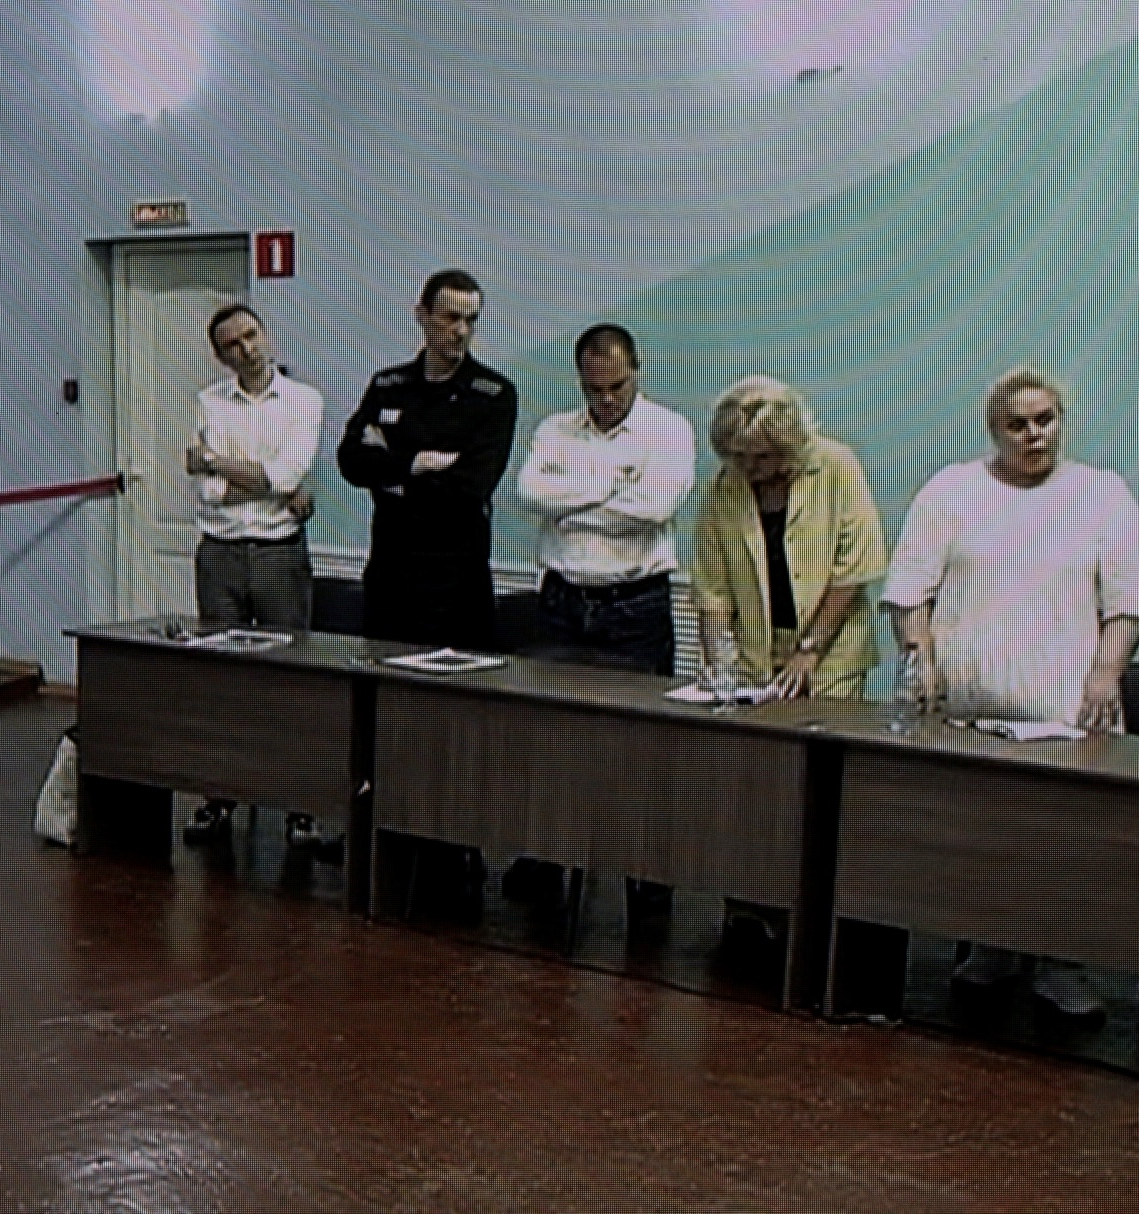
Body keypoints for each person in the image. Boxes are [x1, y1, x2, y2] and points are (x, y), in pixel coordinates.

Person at [880, 365, 1139, 1018]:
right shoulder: (951, 490)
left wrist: (1107, 672)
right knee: (982, 834)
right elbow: (909, 590)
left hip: (1068, 707)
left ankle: (1063, 963)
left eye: (1045, 420)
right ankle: (991, 945)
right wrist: (920, 660)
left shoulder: (1101, 493)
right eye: (1017, 424)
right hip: (970, 709)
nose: (1034, 434)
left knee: (1067, 842)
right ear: (994, 430)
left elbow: (1129, 599)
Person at [509, 324, 696, 920]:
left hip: (635, 604)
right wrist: (612, 485)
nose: (606, 400)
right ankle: (548, 857)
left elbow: (655, 508)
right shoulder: (554, 429)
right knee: (553, 739)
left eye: (616, 388)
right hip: (564, 600)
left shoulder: (669, 430)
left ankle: (646, 878)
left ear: (636, 373)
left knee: (641, 747)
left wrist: (573, 498)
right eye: (595, 390)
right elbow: (532, 495)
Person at [182, 304, 324, 849]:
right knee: (222, 680)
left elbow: (286, 473)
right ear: (221, 356)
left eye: (252, 335)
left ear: (265, 335)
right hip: (220, 554)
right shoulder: (208, 402)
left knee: (292, 680)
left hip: (279, 553)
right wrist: (266, 484)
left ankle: (300, 806)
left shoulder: (304, 401)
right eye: (233, 344)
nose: (247, 349)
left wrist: (217, 462)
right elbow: (211, 494)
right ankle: (221, 796)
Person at [337, 268, 519, 650]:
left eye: (470, 320)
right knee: (384, 678)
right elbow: (351, 461)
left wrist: (389, 473)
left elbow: (469, 489)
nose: (461, 331)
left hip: (455, 580)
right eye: (450, 318)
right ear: (422, 315)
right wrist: (415, 465)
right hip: (390, 573)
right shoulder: (389, 386)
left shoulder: (491, 395)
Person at [691, 374, 888, 701]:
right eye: (739, 455)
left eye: (762, 456)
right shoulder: (723, 487)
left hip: (831, 650)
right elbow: (713, 589)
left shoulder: (835, 466)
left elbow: (854, 569)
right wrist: (719, 663)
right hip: (754, 653)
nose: (749, 466)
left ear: (787, 447)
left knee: (819, 730)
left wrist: (810, 650)